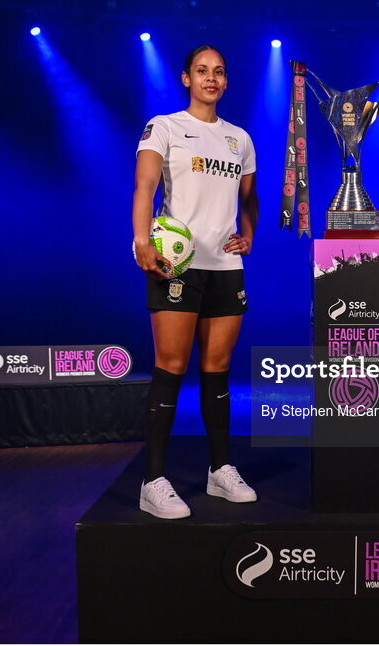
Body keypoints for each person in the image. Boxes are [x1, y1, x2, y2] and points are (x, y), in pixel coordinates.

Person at [132, 45, 259, 519]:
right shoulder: (164, 127)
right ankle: (154, 481)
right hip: (177, 266)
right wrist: (141, 240)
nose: (211, 78)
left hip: (225, 268)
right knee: (171, 365)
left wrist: (249, 236)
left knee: (218, 368)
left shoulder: (239, 139)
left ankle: (220, 469)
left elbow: (250, 198)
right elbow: (144, 186)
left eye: (219, 72)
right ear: (186, 78)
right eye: (202, 71)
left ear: (225, 82)